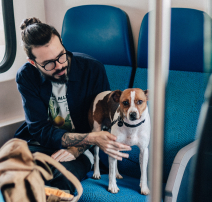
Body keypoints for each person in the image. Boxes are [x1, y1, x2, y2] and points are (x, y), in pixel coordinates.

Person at [14, 17, 131, 194]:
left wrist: (78, 149)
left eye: (61, 55)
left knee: (61, 179)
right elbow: (40, 129)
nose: (60, 65)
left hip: (83, 149)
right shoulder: (26, 76)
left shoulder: (93, 69)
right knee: (3, 171)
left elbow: (105, 124)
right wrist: (91, 138)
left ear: (62, 44)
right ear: (33, 63)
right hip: (41, 142)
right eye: (48, 63)